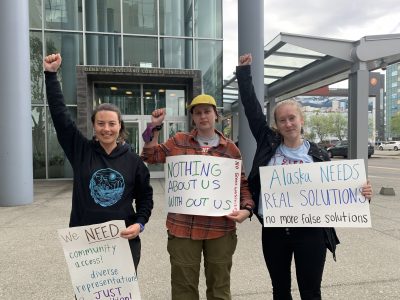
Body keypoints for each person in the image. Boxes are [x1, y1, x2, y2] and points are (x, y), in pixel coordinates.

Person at [236, 53, 373, 300]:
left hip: (310, 232)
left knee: (311, 292)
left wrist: (362, 193)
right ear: (276, 125)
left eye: (292, 118)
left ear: (301, 120)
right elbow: (251, 108)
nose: (288, 124)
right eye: (282, 120)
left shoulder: (319, 154)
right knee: (280, 290)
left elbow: (338, 191)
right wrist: (244, 73)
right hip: (275, 231)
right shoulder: (269, 143)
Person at [43, 53, 154, 271]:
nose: (106, 129)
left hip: (122, 241)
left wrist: (139, 224)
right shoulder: (81, 151)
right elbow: (60, 116)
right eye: (101, 123)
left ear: (120, 126)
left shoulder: (134, 162)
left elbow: (145, 198)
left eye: (112, 124)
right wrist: (50, 75)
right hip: (85, 243)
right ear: (94, 125)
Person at [140, 94, 255, 300]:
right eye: (198, 112)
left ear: (216, 115)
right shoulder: (178, 142)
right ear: (192, 117)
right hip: (183, 228)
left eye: (207, 111)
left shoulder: (230, 149)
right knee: (183, 289)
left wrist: (247, 208)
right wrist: (154, 128)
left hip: (220, 228)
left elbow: (242, 184)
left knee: (220, 288)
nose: (203, 116)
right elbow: (150, 156)